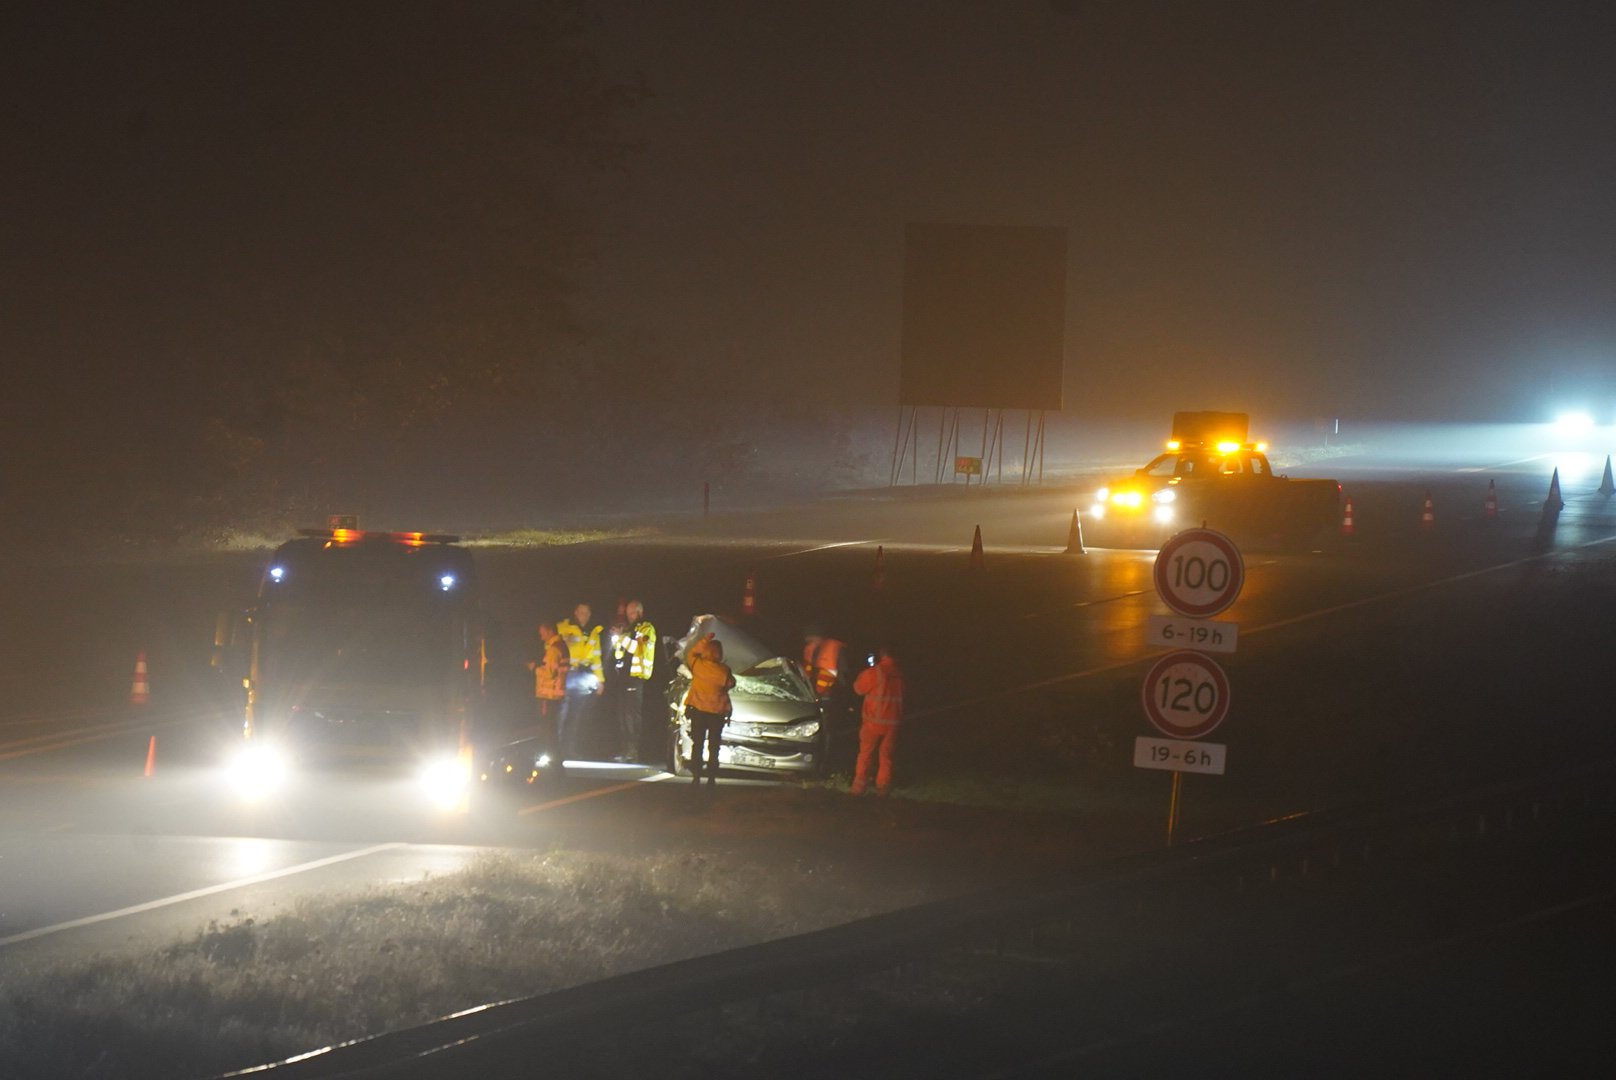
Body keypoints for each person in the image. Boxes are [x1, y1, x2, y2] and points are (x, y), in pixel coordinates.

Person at [851, 645, 905, 796]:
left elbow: (858, 688)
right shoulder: (900, 674)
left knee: (866, 755)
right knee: (886, 757)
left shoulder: (875, 672)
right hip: (893, 723)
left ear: (882, 654)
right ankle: (883, 789)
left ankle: (858, 789)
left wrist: (865, 671)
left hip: (873, 722)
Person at [682, 633, 734, 786]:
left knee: (697, 744)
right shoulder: (724, 671)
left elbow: (690, 653)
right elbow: (731, 684)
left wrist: (705, 640)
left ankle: (696, 776)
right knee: (714, 745)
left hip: (698, 710)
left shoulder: (698, 665)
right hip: (716, 712)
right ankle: (711, 777)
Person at [556, 603, 604, 762]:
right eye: (581, 612)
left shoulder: (593, 633)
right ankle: (556, 749)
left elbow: (596, 659)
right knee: (561, 715)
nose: (584, 615)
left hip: (583, 678)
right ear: (575, 613)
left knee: (576, 717)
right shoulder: (565, 628)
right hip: (566, 676)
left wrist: (601, 681)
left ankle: (570, 750)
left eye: (587, 613)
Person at [611, 599, 657, 762]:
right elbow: (619, 651)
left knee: (631, 716)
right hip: (623, 678)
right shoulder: (627, 630)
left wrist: (621, 638)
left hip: (636, 679)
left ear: (639, 612)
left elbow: (639, 647)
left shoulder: (647, 628)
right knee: (622, 715)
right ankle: (624, 750)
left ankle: (633, 751)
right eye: (628, 613)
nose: (629, 616)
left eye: (632, 613)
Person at [528, 622, 570, 769]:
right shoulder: (562, 646)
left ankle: (553, 760)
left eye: (542, 632)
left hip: (550, 694)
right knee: (553, 728)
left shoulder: (553, 649)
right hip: (558, 693)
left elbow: (550, 672)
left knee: (549, 729)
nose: (541, 636)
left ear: (550, 631)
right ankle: (555, 759)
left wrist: (535, 669)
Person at [801, 631, 846, 700]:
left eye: (810, 638)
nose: (806, 639)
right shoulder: (812, 648)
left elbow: (828, 674)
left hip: (829, 694)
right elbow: (807, 670)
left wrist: (816, 694)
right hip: (816, 692)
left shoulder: (830, 648)